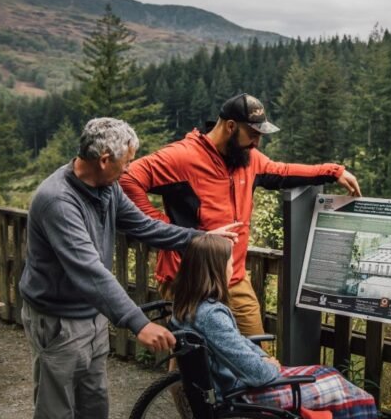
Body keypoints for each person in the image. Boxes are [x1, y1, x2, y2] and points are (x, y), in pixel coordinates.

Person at [19, 118, 239, 419]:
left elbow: (144, 226)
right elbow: (90, 272)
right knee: (56, 414)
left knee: (94, 405)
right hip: (57, 321)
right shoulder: (57, 200)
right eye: (127, 160)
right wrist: (139, 323)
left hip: (90, 315)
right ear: (105, 159)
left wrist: (197, 239)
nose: (130, 167)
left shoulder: (107, 189)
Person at [170, 234, 391, 419]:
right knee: (354, 396)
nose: (232, 267)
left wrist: (262, 358)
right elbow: (257, 374)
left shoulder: (187, 308)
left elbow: (238, 345)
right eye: (229, 262)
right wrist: (269, 365)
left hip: (230, 388)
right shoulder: (212, 316)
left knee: (329, 375)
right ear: (215, 268)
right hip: (242, 395)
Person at [120, 92, 362, 337]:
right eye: (253, 134)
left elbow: (282, 171)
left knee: (255, 347)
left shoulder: (248, 159)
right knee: (196, 352)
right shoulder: (181, 157)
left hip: (233, 277)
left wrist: (333, 172)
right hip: (188, 278)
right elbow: (127, 178)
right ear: (230, 126)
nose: (257, 142)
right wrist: (161, 226)